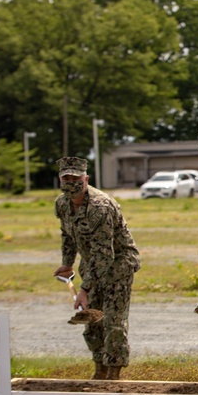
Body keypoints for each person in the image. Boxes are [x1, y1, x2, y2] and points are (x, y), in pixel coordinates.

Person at [53, 156, 141, 381]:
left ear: (86, 178)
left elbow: (105, 254)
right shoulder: (62, 204)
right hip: (92, 264)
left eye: (76, 177)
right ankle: (99, 368)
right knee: (91, 320)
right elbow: (68, 235)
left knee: (113, 320)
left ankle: (113, 371)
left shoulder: (100, 207)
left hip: (118, 265)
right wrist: (66, 263)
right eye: (66, 178)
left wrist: (84, 289)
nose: (71, 182)